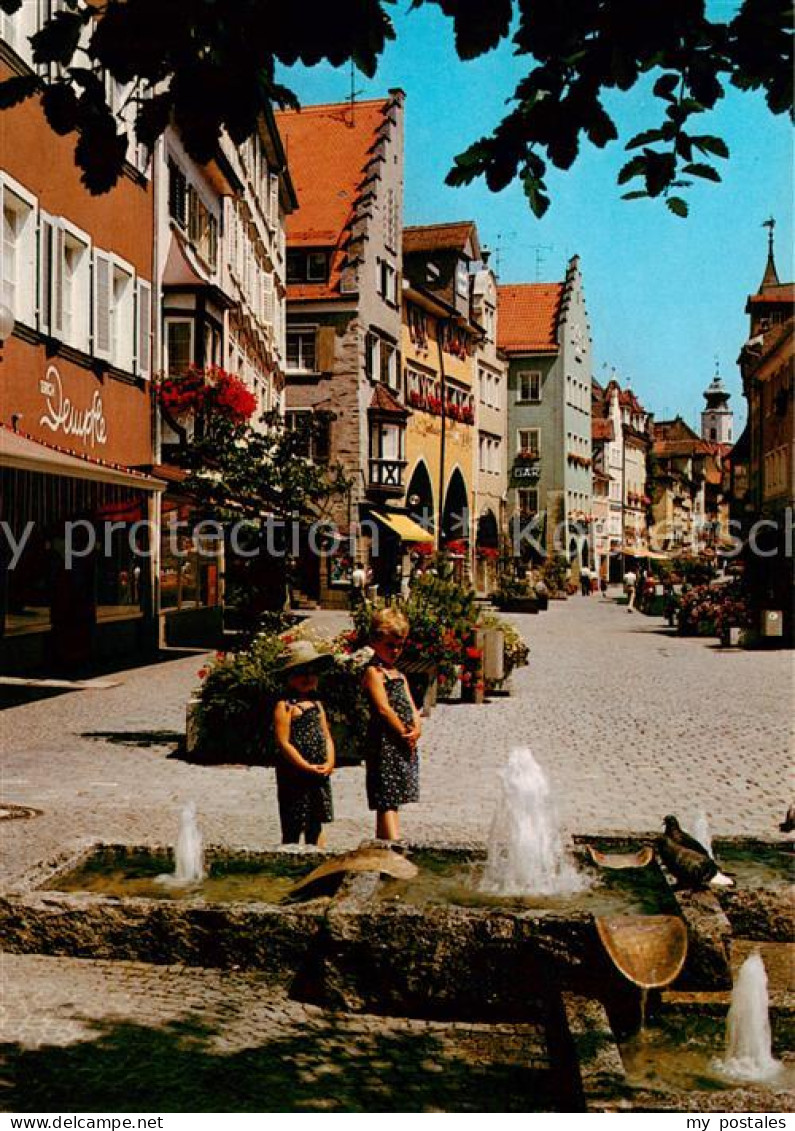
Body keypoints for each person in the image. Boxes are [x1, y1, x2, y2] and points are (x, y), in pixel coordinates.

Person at [362, 607, 422, 841]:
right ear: (376, 642)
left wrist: (416, 728)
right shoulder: (374, 672)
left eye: (399, 646)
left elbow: (411, 704)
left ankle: (383, 843)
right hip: (385, 741)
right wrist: (401, 732)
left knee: (394, 796)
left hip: (402, 741)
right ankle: (394, 844)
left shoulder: (398, 674)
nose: (395, 651)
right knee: (386, 798)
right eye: (390, 646)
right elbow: (383, 708)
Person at [272, 641, 335, 845]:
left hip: (317, 773)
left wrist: (330, 762)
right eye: (301, 672)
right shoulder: (285, 706)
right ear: (289, 676)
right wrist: (303, 765)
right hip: (295, 773)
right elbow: (284, 742)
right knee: (293, 822)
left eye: (312, 672)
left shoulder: (317, 705)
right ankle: (290, 863)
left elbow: (326, 736)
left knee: (315, 822)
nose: (308, 678)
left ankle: (317, 859)